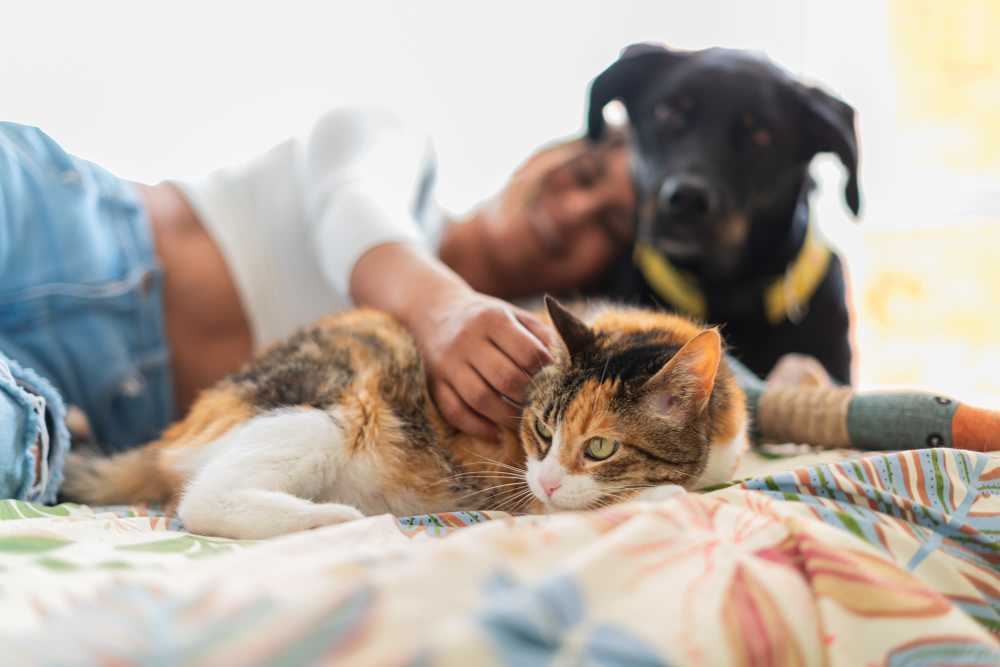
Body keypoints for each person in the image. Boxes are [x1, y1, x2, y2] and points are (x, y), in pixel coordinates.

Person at [0, 109, 636, 502]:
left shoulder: (532, 385)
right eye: (583, 172)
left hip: (51, 395)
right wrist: (445, 311)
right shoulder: (398, 155)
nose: (574, 209)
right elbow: (353, 206)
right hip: (48, 220)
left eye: (608, 225)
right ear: (539, 155)